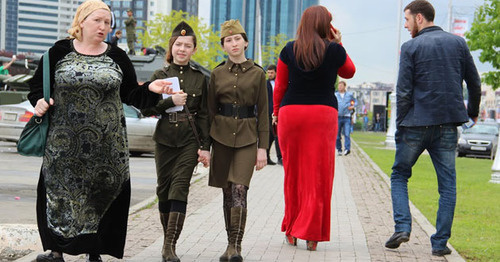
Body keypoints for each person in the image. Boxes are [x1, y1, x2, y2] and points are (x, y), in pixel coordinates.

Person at [27, 1, 172, 262]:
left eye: (107, 22)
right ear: (82, 21)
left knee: (99, 195)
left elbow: (131, 94)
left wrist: (151, 88)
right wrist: (38, 101)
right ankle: (56, 250)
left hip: (107, 146)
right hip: (63, 144)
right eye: (98, 21)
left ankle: (94, 251)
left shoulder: (117, 56)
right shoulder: (57, 52)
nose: (104, 27)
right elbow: (37, 87)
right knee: (59, 194)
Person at [385, 0, 481, 257]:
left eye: (406, 20)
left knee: (399, 175)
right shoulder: (458, 43)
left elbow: (404, 90)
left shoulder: (410, 47)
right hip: (448, 125)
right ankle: (439, 243)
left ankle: (403, 226)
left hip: (415, 123)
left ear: (419, 18)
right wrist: (471, 112)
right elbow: (474, 81)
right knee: (447, 185)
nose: (405, 26)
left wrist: (400, 123)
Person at [273, 5, 355, 251]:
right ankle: (311, 235)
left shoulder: (289, 49)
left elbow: (280, 85)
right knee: (318, 175)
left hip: (292, 114)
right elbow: (349, 72)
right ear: (326, 26)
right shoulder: (333, 51)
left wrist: (276, 112)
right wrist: (339, 43)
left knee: (293, 173)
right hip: (322, 114)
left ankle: (291, 229)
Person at [140, 21, 211, 262]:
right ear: (172, 47)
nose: (182, 49)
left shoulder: (200, 79)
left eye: (187, 45)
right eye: (178, 44)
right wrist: (170, 101)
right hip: (164, 138)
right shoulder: (160, 76)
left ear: (193, 49)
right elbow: (147, 108)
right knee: (163, 190)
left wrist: (205, 147)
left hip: (189, 141)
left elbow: (204, 115)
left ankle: (169, 246)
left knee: (180, 187)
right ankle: (166, 238)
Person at [206, 19, 268, 262]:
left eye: (237, 39)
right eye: (228, 40)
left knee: (240, 188)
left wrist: (262, 148)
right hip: (220, 137)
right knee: (227, 191)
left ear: (246, 42)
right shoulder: (216, 73)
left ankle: (236, 246)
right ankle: (229, 243)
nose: (233, 43)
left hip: (247, 138)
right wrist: (205, 147)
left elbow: (263, 112)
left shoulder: (258, 74)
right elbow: (209, 112)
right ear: (223, 46)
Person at [335, 80, 356, 156]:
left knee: (347, 133)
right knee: (337, 135)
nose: (340, 87)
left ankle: (347, 149)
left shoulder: (349, 95)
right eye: (339, 86)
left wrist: (352, 106)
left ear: (344, 86)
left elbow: (355, 101)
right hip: (338, 117)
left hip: (347, 117)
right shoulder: (336, 95)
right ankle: (339, 149)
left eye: (341, 86)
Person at [266, 64, 277, 165]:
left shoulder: (279, 83)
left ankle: (279, 157)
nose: (270, 74)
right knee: (270, 135)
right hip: (268, 113)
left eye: (271, 72)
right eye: (268, 73)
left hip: (278, 112)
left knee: (275, 135)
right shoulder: (265, 84)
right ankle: (266, 156)